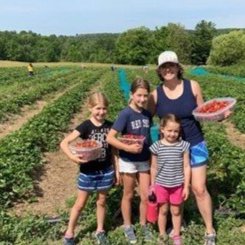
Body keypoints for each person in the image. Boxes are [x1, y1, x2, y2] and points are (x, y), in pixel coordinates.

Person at [148, 50, 216, 245]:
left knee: (198, 188)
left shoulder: (192, 86)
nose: (168, 69)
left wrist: (219, 115)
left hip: (195, 144)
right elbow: (145, 117)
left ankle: (209, 231)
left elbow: (203, 113)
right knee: (175, 184)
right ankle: (179, 221)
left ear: (178, 67)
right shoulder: (156, 94)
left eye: (171, 65)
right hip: (170, 149)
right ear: (159, 71)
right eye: (164, 67)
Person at [60, 92, 118, 245]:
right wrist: (72, 157)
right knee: (80, 204)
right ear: (90, 108)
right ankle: (70, 233)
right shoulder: (86, 126)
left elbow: (113, 151)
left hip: (106, 170)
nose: (101, 112)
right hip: (88, 171)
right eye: (98, 108)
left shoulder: (110, 126)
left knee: (101, 201)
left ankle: (100, 230)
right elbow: (64, 143)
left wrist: (116, 171)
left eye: (104, 108)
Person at [106, 78, 152, 244]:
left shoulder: (147, 114)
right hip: (128, 160)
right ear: (132, 94)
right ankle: (127, 225)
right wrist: (127, 148)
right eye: (139, 95)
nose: (142, 99)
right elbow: (110, 138)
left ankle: (143, 224)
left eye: (145, 96)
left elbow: (146, 137)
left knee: (146, 196)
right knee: (129, 194)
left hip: (144, 159)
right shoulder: (125, 114)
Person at [149, 114, 191, 245]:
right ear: (162, 129)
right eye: (169, 130)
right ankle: (162, 234)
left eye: (176, 131)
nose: (173, 134)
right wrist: (152, 185)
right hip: (161, 185)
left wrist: (186, 186)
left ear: (179, 132)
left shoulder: (183, 146)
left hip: (177, 185)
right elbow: (154, 167)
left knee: (176, 211)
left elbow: (186, 166)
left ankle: (176, 235)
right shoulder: (157, 146)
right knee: (163, 210)